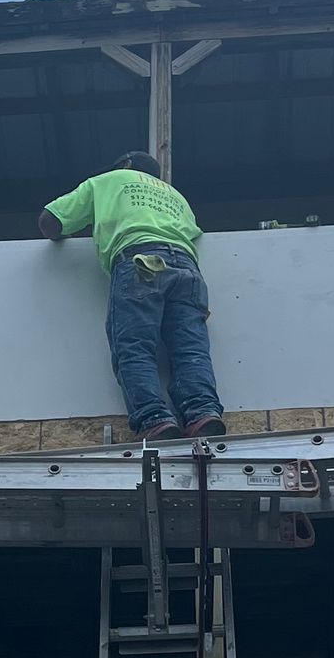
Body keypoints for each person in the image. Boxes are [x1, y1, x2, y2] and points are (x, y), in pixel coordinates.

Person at [39, 152, 224, 442]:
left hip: (141, 261)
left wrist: (67, 236)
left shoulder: (107, 181)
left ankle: (154, 418)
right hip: (188, 269)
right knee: (189, 348)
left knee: (135, 345)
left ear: (125, 166)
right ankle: (202, 413)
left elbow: (51, 220)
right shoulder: (176, 196)